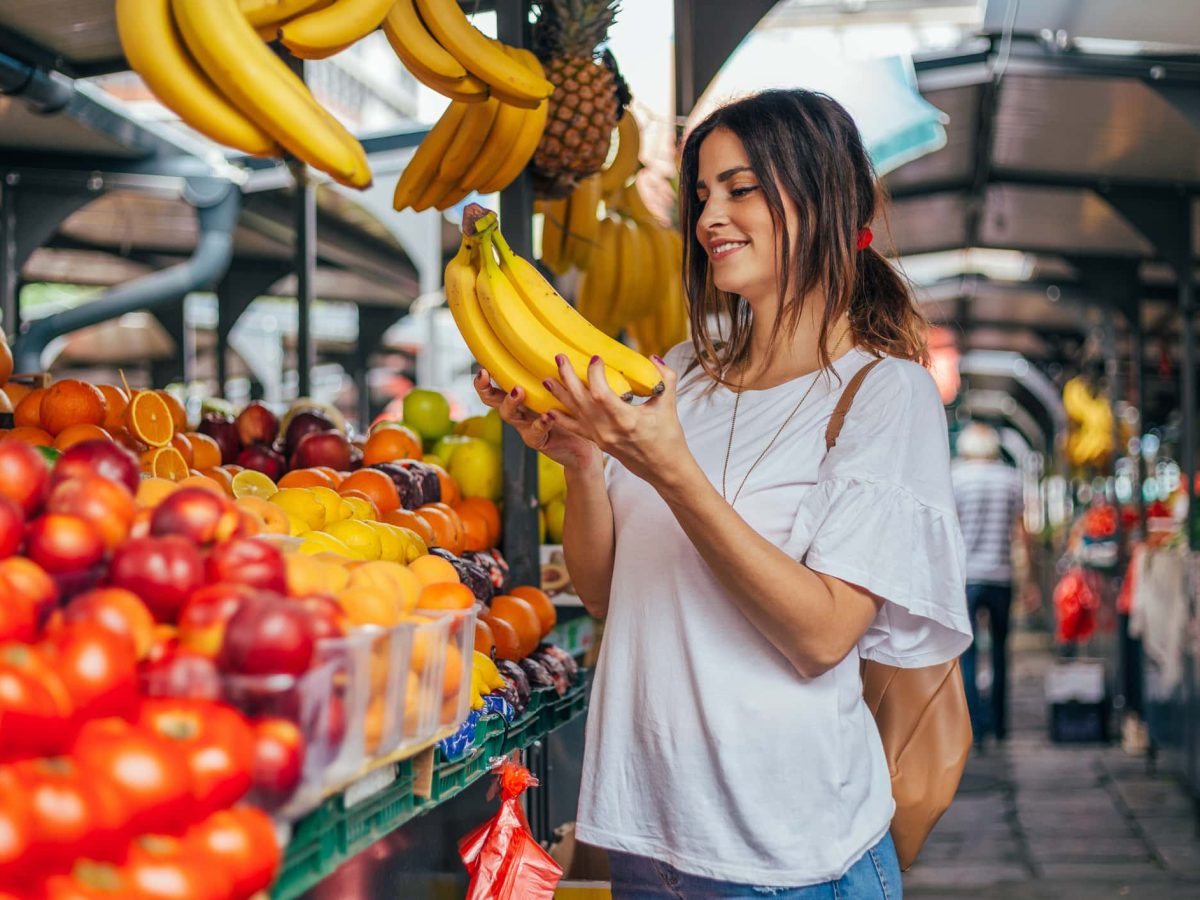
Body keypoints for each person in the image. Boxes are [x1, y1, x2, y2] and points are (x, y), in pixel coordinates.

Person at [475, 89, 971, 898]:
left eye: (741, 189)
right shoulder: (683, 377)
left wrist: (674, 472)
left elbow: (822, 635)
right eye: (703, 193)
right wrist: (581, 463)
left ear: (820, 198)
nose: (711, 218)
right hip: (645, 841)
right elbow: (607, 594)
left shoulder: (886, 394)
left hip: (789, 859)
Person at [950, 422, 1029, 747]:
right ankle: (999, 724)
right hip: (1001, 575)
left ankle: (974, 726)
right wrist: (1031, 580)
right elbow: (1021, 531)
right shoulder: (1010, 478)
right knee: (1000, 651)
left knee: (966, 652)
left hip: (965, 577)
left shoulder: (954, 477)